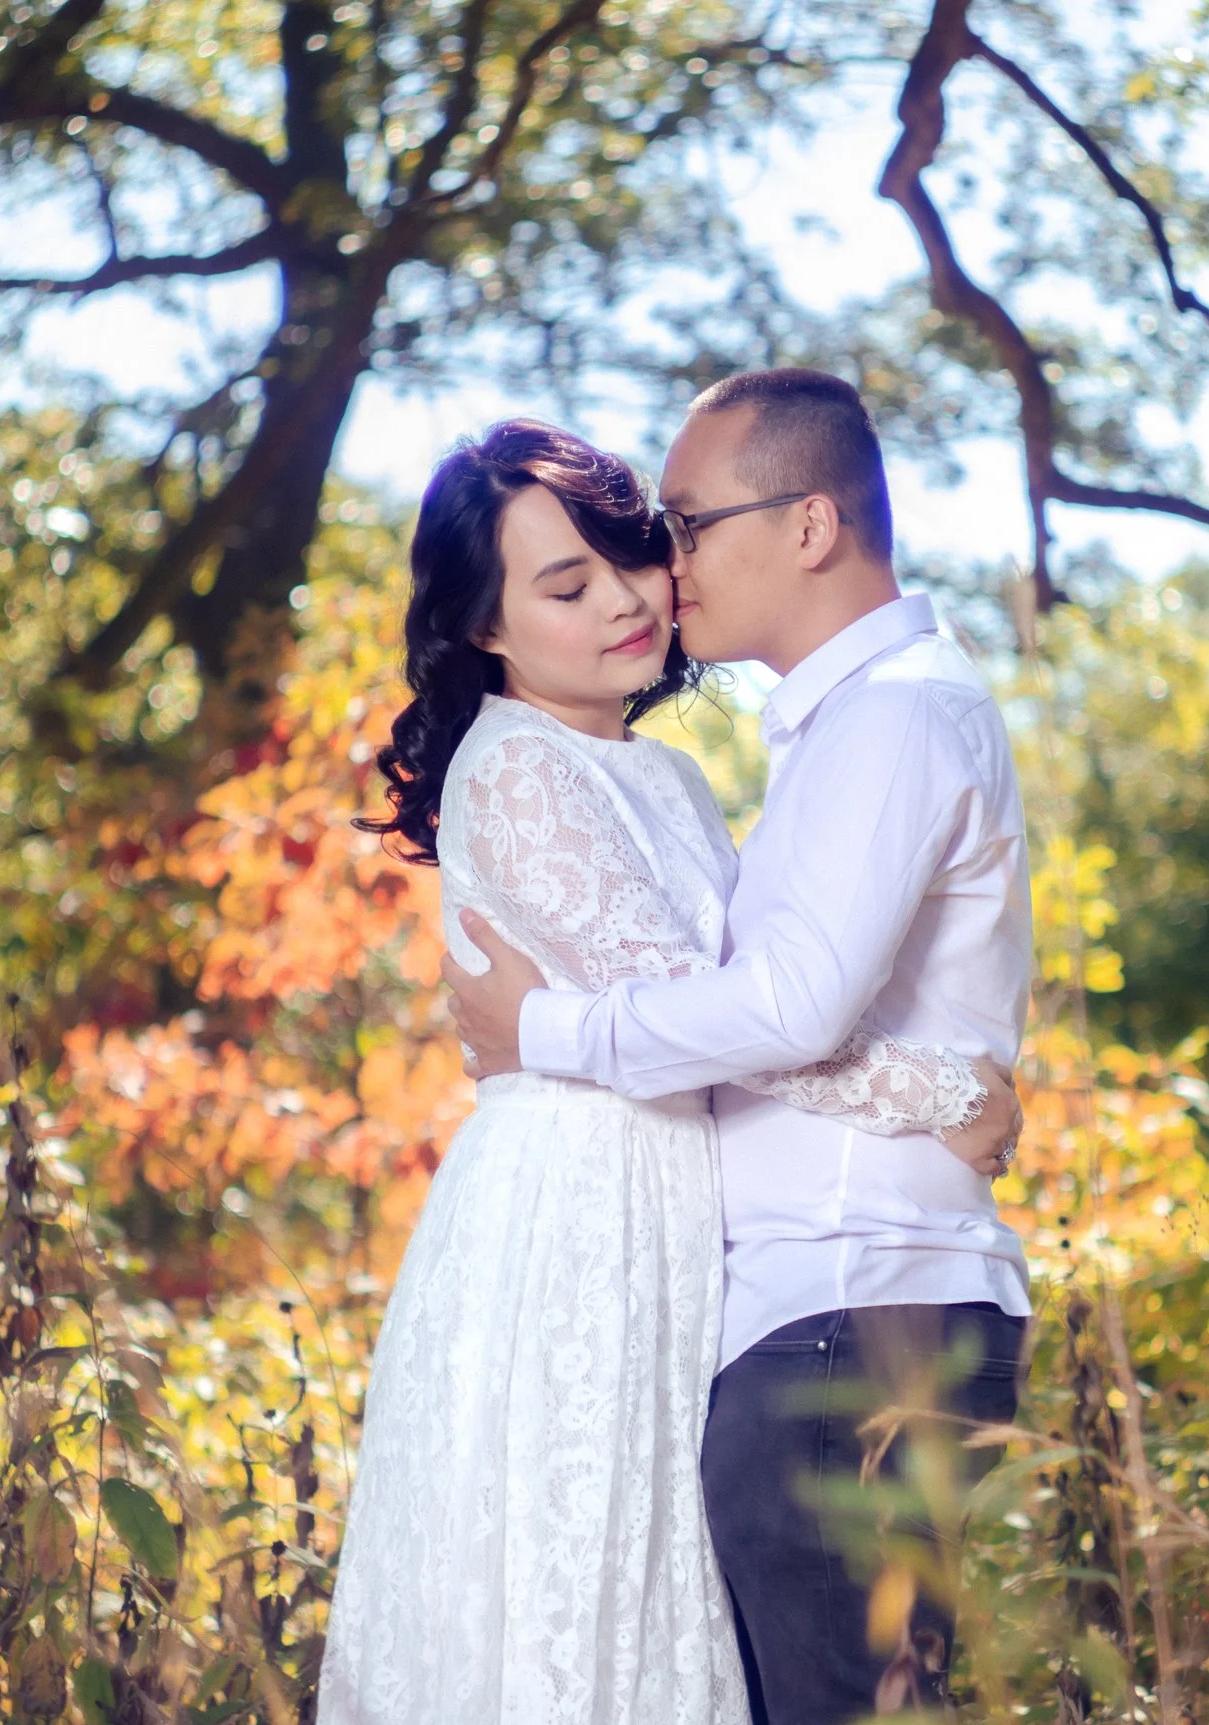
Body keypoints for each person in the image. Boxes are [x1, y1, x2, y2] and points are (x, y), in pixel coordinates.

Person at [315, 419, 1018, 1725]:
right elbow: (724, 1019)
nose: (631, 600)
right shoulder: (519, 768)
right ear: (486, 630)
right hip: (581, 1214)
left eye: (631, 556)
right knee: (572, 1602)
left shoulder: (676, 781)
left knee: (676, 1619)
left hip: (683, 1221)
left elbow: (739, 1022)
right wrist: (943, 1093)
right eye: (565, 588)